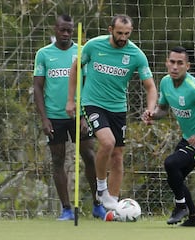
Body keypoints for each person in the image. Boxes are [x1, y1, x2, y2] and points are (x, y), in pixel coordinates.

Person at [66, 14, 157, 211]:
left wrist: (150, 109)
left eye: (127, 33)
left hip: (118, 108)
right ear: (110, 30)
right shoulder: (93, 46)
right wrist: (71, 100)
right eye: (119, 33)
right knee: (107, 142)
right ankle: (101, 188)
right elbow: (75, 69)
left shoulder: (136, 55)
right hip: (92, 103)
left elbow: (150, 87)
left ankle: (113, 208)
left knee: (117, 156)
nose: (123, 37)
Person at [142, 46, 195, 227]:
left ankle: (181, 207)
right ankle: (194, 217)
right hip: (188, 139)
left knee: (171, 164)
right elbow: (163, 109)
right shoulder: (165, 82)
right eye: (172, 62)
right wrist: (152, 116)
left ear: (187, 66)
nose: (175, 67)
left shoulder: (194, 88)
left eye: (180, 63)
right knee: (175, 176)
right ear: (167, 63)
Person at [33, 14, 106, 220]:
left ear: (73, 31)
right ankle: (66, 209)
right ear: (55, 29)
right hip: (54, 116)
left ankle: (98, 204)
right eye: (62, 29)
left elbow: (90, 84)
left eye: (69, 30)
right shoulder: (44, 54)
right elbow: (38, 87)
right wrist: (44, 119)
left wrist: (85, 115)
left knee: (89, 156)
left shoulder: (81, 53)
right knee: (58, 160)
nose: (65, 34)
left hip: (79, 115)